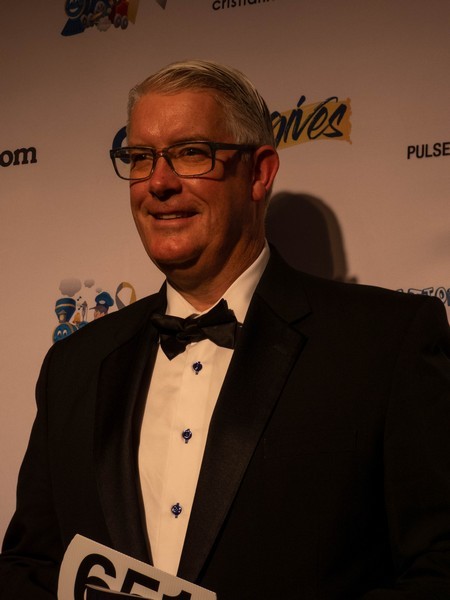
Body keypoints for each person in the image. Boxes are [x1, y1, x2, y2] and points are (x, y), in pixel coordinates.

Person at [1, 59, 450, 600]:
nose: (158, 182)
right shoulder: (74, 366)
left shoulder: (385, 342)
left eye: (191, 152)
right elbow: (29, 567)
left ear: (259, 173)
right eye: (140, 158)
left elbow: (440, 567)